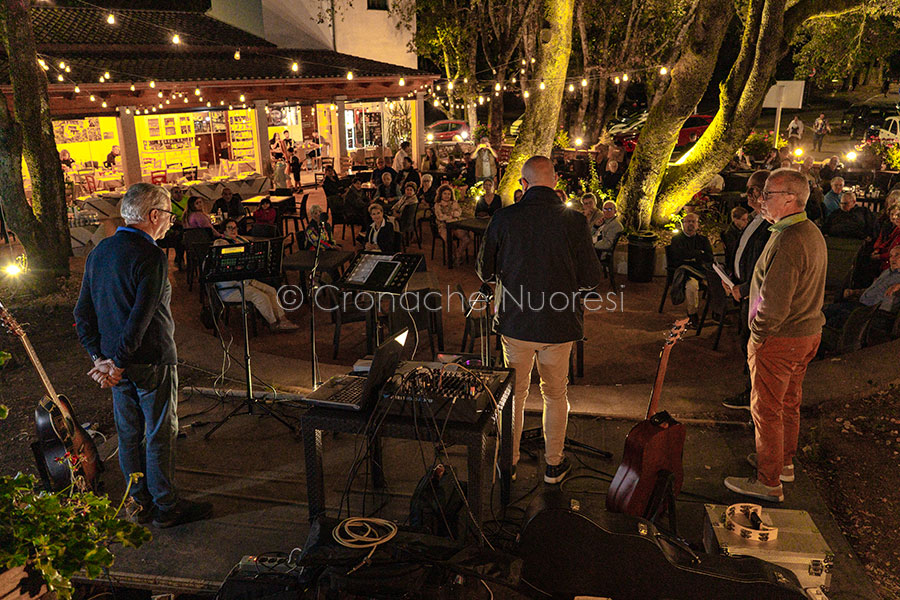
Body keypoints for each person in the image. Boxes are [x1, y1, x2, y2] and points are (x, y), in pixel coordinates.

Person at [74, 183, 212, 528]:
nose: (169, 223)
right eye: (167, 215)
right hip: (149, 360)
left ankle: (138, 502)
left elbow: (82, 313)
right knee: (160, 432)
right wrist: (116, 363)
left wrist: (100, 359)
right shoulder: (151, 256)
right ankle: (167, 505)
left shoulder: (100, 251)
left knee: (129, 433)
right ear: (153, 216)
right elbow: (141, 318)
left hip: (114, 364)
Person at [477, 155, 602, 485]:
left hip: (516, 321)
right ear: (556, 182)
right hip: (559, 324)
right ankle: (553, 465)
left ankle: (510, 462)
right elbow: (592, 278)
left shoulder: (504, 218)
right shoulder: (574, 221)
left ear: (523, 184)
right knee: (555, 393)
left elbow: (484, 270)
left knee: (514, 396)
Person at [724, 168, 826, 503]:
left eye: (768, 194)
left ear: (791, 198)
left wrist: (757, 334)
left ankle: (768, 483)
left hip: (781, 338)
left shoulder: (790, 239)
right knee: (788, 403)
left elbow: (775, 302)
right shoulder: (808, 232)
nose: (760, 200)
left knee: (766, 410)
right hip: (806, 333)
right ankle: (782, 463)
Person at [721, 170, 773, 410]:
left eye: (752, 190)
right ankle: (751, 389)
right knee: (745, 341)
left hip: (754, 296)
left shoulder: (769, 225)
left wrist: (742, 288)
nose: (747, 195)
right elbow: (743, 252)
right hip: (742, 290)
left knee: (752, 344)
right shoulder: (755, 219)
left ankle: (754, 393)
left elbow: (761, 264)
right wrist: (731, 277)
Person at [215, 220, 298, 332]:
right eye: (230, 228)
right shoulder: (221, 243)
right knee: (261, 297)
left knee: (271, 291)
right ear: (224, 230)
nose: (234, 230)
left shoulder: (240, 239)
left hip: (247, 280)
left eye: (235, 227)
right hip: (231, 287)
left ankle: (282, 319)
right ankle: (273, 323)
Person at [824, 246, 900, 331]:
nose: (892, 259)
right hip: (861, 306)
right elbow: (873, 290)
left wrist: (898, 285)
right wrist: (854, 292)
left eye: (897, 255)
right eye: (890, 256)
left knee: (836, 320)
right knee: (829, 309)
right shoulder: (887, 272)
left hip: (876, 314)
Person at [669, 212, 713, 328]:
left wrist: (690, 255)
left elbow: (709, 257)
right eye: (688, 222)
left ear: (698, 225)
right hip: (687, 273)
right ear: (683, 224)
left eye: (693, 222)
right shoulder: (677, 240)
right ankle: (692, 314)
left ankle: (717, 312)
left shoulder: (703, 240)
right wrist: (699, 253)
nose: (691, 224)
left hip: (702, 272)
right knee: (692, 287)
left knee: (717, 284)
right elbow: (677, 257)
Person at [434, 184, 473, 265]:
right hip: (443, 226)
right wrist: (451, 215)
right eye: (445, 193)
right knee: (448, 239)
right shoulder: (438, 205)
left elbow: (458, 212)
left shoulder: (454, 203)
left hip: (455, 225)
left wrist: (452, 215)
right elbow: (440, 217)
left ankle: (458, 254)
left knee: (466, 238)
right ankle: (452, 257)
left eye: (449, 194)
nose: (447, 196)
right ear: (441, 194)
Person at [722, 206, 750, 271]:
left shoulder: (744, 230)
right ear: (735, 220)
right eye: (743, 220)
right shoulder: (729, 234)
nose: (746, 222)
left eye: (746, 219)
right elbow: (734, 252)